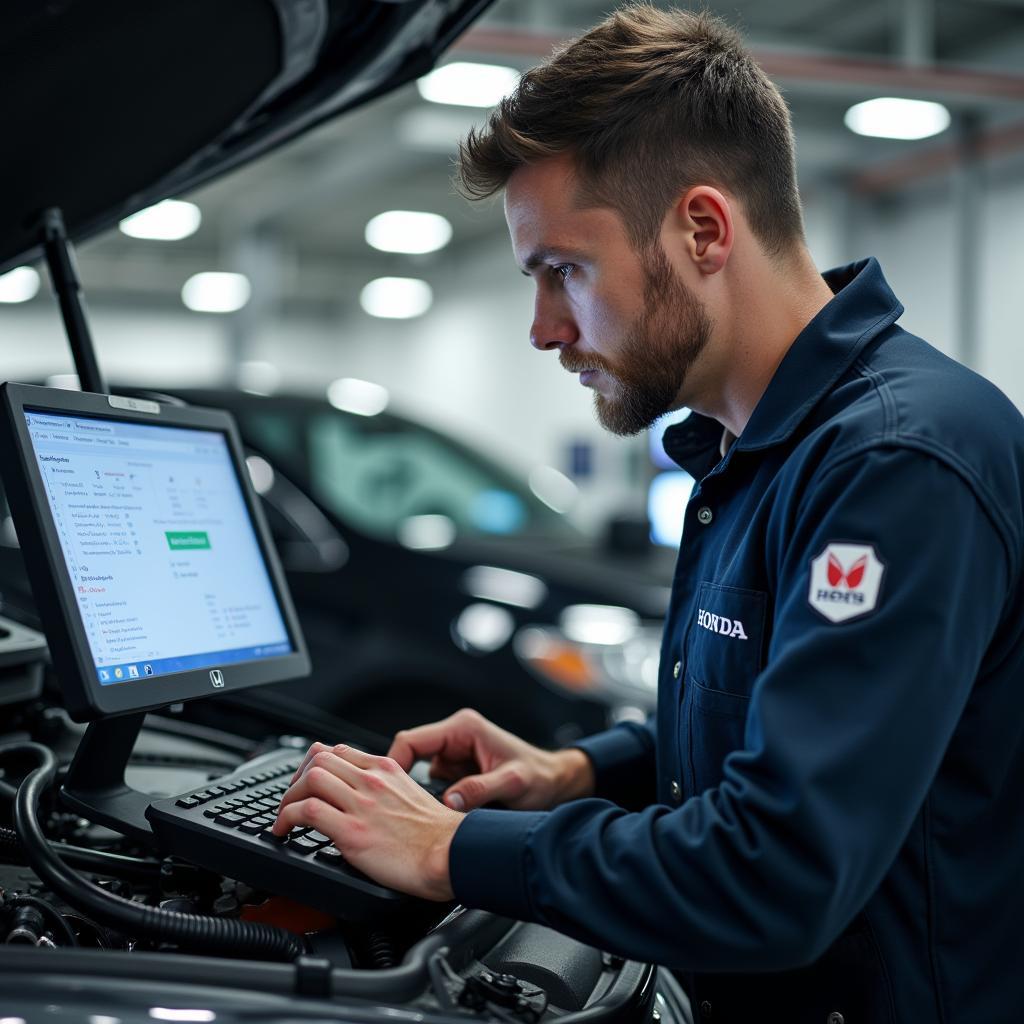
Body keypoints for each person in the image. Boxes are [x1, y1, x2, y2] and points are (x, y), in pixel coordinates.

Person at [273, 5, 1024, 1020]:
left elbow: (778, 871)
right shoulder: (752, 450)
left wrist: (453, 847)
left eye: (562, 272)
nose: (543, 329)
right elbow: (765, 730)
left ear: (702, 229)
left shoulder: (895, 464)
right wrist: (580, 769)